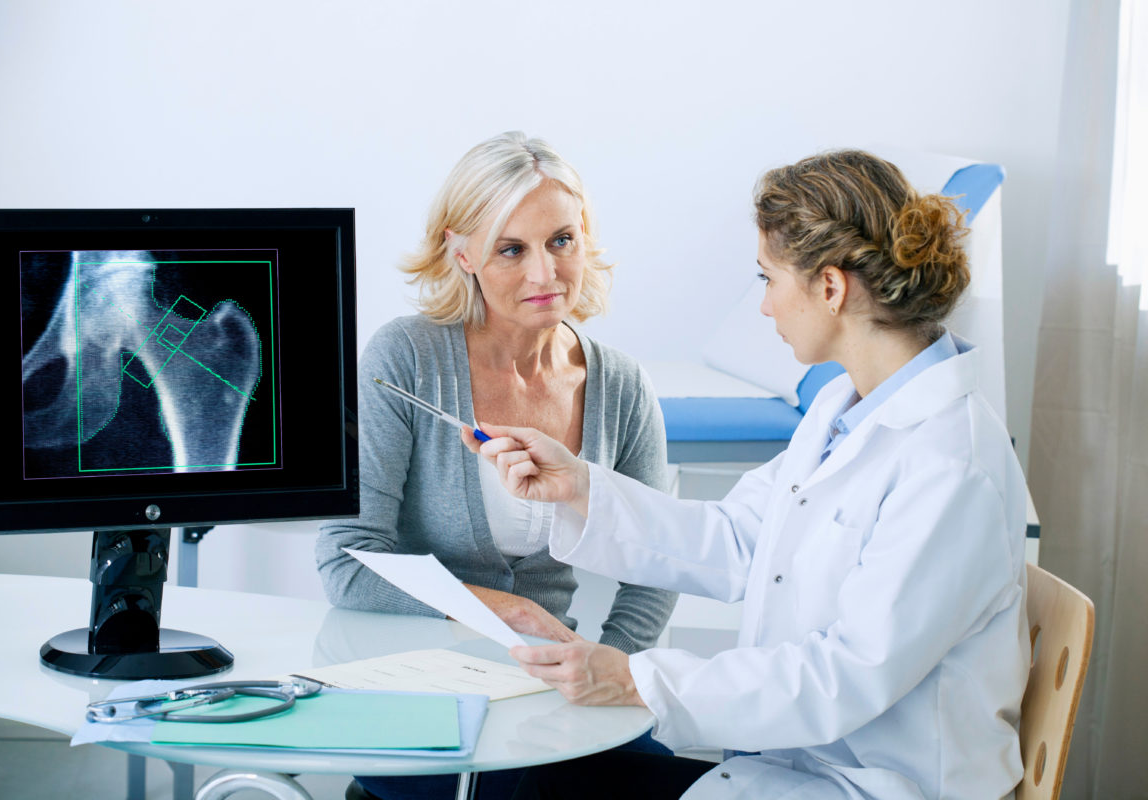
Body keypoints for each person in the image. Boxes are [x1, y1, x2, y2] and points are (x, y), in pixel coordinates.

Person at [468, 149, 1030, 799]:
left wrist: (635, 679)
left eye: (768, 279)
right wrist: (579, 487)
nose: (764, 307)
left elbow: (843, 677)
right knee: (536, 776)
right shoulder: (841, 409)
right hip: (791, 767)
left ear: (829, 287)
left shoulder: (951, 463)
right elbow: (738, 537)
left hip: (878, 785)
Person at [316, 131, 677, 800]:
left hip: (555, 696)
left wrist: (610, 670)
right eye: (512, 249)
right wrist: (504, 610)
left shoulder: (621, 385)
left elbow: (662, 562)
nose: (545, 274)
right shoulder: (407, 361)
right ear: (462, 253)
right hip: (418, 689)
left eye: (561, 241)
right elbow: (347, 561)